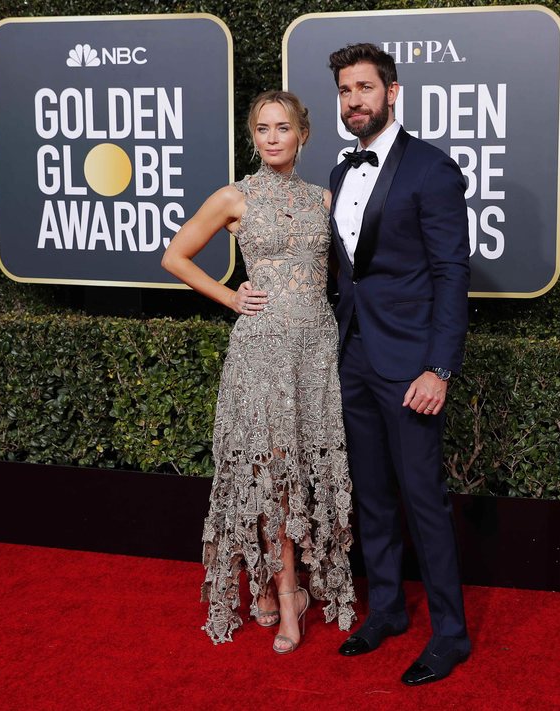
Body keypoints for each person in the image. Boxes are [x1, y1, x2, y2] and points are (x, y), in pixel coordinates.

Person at [162, 90, 355, 653]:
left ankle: (280, 591)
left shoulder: (325, 200)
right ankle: (286, 596)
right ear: (254, 136)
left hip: (316, 349)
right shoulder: (234, 197)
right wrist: (229, 296)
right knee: (273, 473)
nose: (273, 138)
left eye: (284, 128)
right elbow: (175, 256)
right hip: (262, 350)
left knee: (301, 468)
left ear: (303, 135)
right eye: (263, 129)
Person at [327, 44, 471, 685]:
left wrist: (439, 368)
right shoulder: (337, 171)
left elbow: (450, 274)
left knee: (423, 500)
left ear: (392, 91)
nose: (354, 100)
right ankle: (385, 609)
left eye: (364, 87)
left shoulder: (432, 170)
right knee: (373, 497)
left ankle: (451, 633)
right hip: (353, 355)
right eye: (344, 91)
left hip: (411, 364)